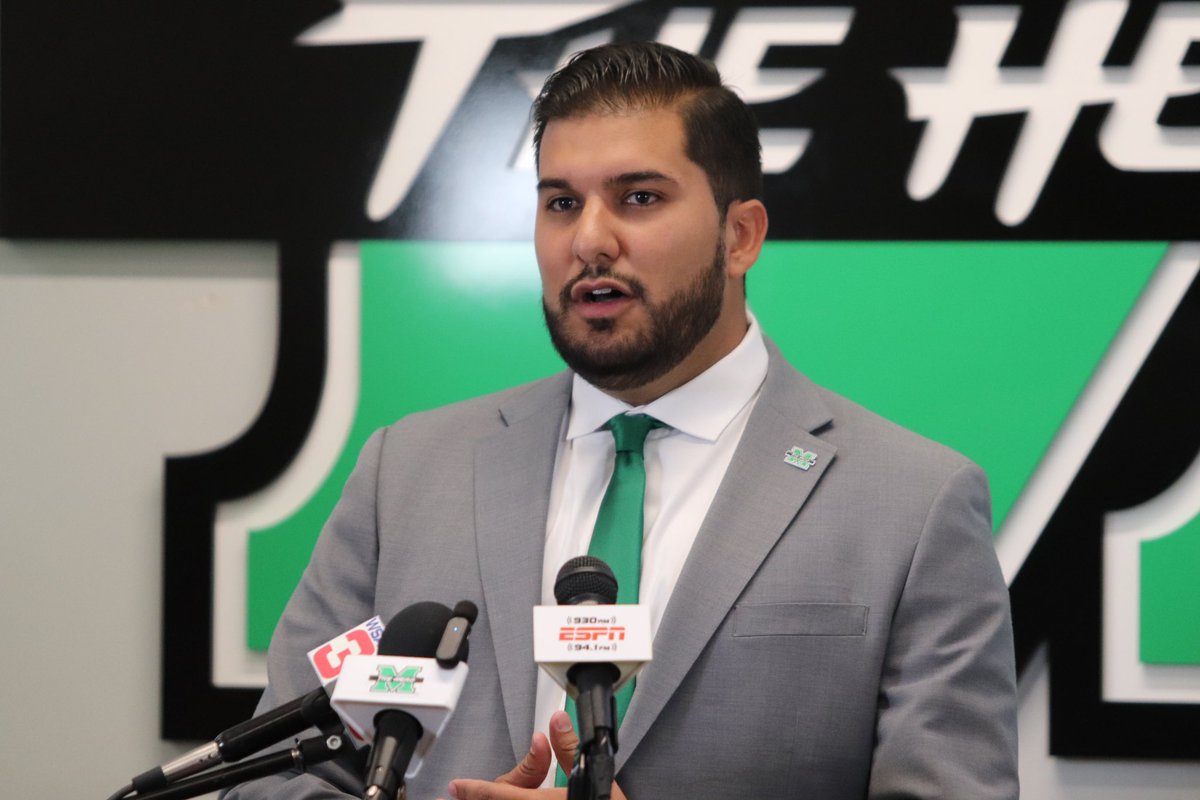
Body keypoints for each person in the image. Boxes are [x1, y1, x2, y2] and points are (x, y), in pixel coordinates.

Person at [227, 42, 1018, 800]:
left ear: (739, 236)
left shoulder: (914, 505)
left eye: (639, 198)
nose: (590, 240)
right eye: (561, 203)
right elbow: (272, 776)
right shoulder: (407, 472)